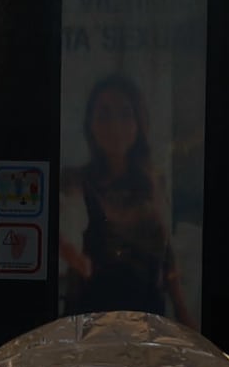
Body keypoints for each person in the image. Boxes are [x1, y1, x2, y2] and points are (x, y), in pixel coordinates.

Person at [65, 72, 186, 322]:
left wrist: (183, 312)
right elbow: (61, 230)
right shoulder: (75, 181)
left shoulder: (153, 182)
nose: (115, 125)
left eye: (125, 114)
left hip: (147, 316)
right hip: (90, 315)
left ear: (139, 123)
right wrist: (76, 259)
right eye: (104, 114)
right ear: (90, 123)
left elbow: (167, 254)